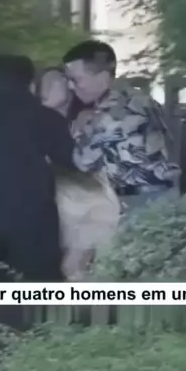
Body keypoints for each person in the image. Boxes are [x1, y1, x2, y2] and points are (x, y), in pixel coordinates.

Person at [0, 55, 76, 353]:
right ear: (31, 81)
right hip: (31, 218)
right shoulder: (46, 117)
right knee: (36, 288)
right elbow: (70, 163)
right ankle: (34, 353)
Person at [62, 40, 181, 213]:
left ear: (103, 77)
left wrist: (78, 128)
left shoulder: (111, 113)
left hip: (137, 204)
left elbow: (82, 162)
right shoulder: (140, 98)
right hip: (158, 199)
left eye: (75, 79)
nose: (70, 86)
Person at [36, 68, 121, 280]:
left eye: (65, 80)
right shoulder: (34, 119)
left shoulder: (86, 115)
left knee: (80, 258)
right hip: (59, 194)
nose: (65, 84)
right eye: (53, 82)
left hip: (86, 192)